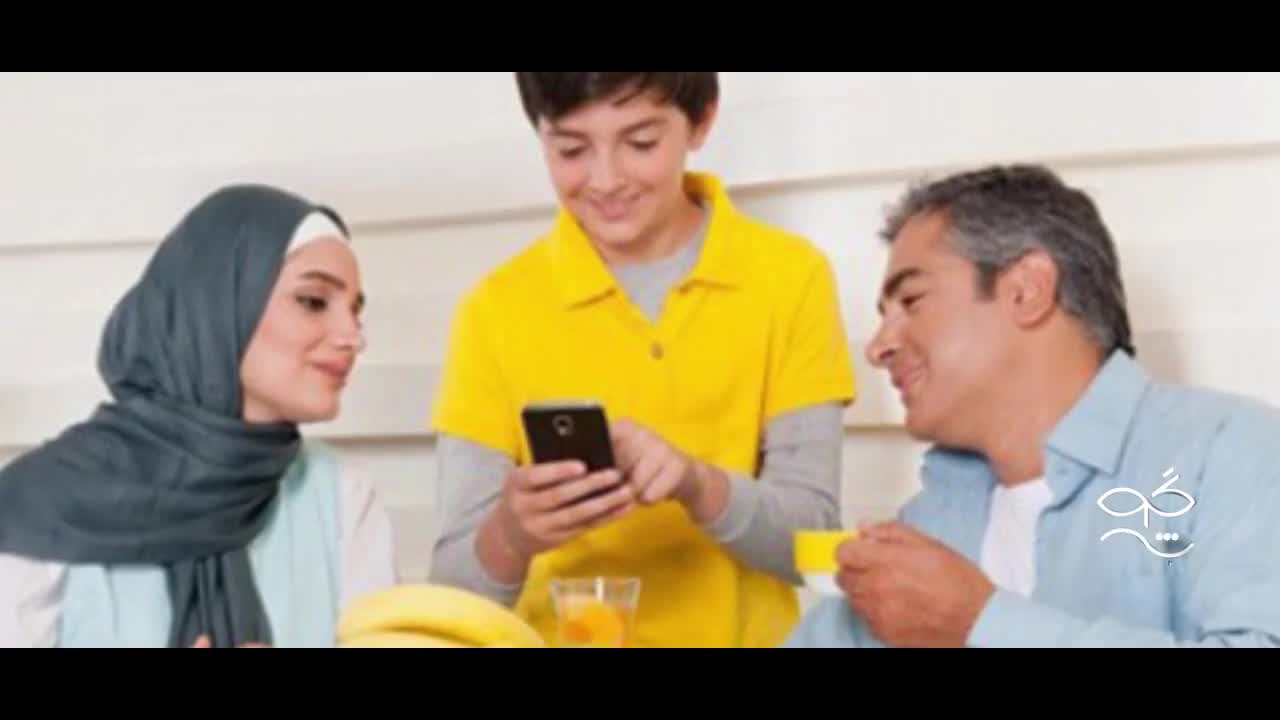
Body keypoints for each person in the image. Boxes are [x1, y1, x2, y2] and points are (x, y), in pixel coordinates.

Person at [429, 72, 856, 647]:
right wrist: (512, 534)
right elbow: (450, 594)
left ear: (701, 120)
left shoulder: (791, 279)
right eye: (571, 149)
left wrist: (698, 484)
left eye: (641, 142)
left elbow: (812, 542)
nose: (606, 179)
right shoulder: (493, 311)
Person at [784, 164, 1280, 648]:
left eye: (911, 301)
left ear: (1027, 290)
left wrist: (979, 625)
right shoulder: (924, 527)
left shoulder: (1230, 455)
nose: (878, 347)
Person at [0, 184, 398, 648]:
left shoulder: (342, 499)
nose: (353, 337)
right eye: (313, 301)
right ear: (215, 305)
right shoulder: (34, 509)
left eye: (355, 311)